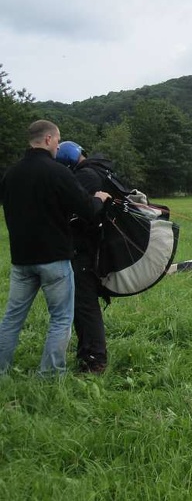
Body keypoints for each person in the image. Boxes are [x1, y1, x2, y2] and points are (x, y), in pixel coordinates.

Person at [0, 120, 111, 376]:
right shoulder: (58, 173)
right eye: (58, 140)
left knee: (12, 319)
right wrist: (98, 199)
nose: (58, 146)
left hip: (21, 260)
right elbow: (86, 210)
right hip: (55, 259)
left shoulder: (11, 174)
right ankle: (50, 376)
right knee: (60, 319)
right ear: (49, 139)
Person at [55, 141, 118, 374]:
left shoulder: (86, 177)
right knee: (83, 304)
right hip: (91, 247)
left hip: (84, 249)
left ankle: (93, 360)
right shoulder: (97, 171)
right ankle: (90, 355)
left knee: (84, 305)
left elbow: (80, 210)